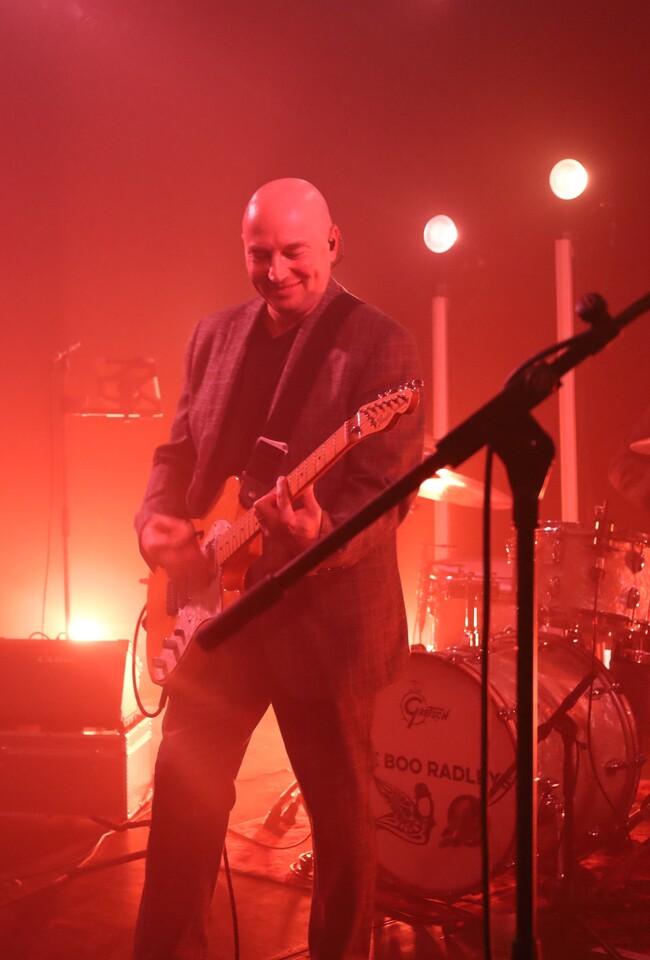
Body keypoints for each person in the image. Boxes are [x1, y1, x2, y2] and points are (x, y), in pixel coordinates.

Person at [133, 178, 424, 960]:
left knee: (341, 829)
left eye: (295, 252)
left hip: (323, 621)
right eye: (259, 255)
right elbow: (180, 454)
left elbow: (385, 496)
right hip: (215, 614)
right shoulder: (214, 334)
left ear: (333, 242)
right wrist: (155, 520)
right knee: (185, 808)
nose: (277, 271)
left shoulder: (380, 347)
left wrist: (317, 530)